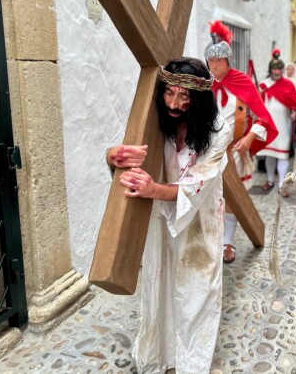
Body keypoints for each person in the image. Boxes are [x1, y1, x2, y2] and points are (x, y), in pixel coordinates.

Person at [105, 57, 231, 373]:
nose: (174, 103)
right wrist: (113, 156)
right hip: (161, 221)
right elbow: (129, 160)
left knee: (196, 291)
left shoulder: (219, 132)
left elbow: (195, 186)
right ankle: (161, 354)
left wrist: (152, 190)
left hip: (200, 222)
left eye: (184, 97)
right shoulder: (157, 122)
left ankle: (191, 363)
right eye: (169, 93)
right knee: (159, 286)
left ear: (198, 100)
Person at [206, 21, 277, 264]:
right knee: (209, 196)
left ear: (228, 61)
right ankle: (211, 239)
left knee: (232, 198)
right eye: (211, 62)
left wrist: (248, 138)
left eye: (219, 62)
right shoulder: (203, 86)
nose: (215, 67)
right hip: (208, 151)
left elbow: (263, 118)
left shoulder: (242, 82)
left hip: (234, 151)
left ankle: (227, 242)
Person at [258, 59, 296, 197]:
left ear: (282, 70)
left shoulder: (289, 84)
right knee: (270, 154)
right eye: (274, 69)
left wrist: (294, 111)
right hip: (268, 124)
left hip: (283, 125)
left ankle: (282, 184)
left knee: (282, 155)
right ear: (270, 70)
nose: (277, 71)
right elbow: (258, 102)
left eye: (279, 69)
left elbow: (294, 102)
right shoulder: (264, 85)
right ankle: (270, 180)